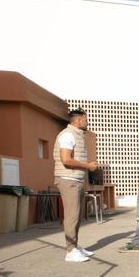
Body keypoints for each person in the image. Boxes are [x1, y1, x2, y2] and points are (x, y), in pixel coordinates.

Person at [54, 108, 98, 263]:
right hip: (68, 179)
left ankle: (75, 246)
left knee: (77, 216)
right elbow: (66, 160)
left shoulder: (76, 135)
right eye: (86, 119)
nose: (87, 122)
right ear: (78, 120)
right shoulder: (68, 135)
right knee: (72, 216)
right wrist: (88, 166)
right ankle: (70, 251)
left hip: (75, 180)